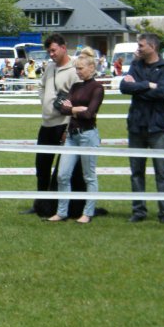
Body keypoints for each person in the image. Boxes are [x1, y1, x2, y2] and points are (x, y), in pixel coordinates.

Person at [119, 33, 164, 223]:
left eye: (141, 45)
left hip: (158, 127)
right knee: (136, 172)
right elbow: (124, 87)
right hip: (136, 126)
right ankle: (138, 211)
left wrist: (138, 87)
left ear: (152, 46)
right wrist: (147, 85)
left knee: (162, 173)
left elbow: (162, 93)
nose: (138, 48)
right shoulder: (136, 65)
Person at [47, 48, 104, 224]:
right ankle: (62, 212)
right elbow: (63, 107)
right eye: (76, 68)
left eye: (80, 69)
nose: (77, 72)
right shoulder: (75, 86)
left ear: (91, 68)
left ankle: (88, 212)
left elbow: (90, 114)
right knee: (62, 175)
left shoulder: (98, 88)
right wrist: (74, 110)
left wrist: (72, 110)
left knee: (89, 176)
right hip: (71, 136)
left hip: (88, 135)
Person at [24, 34, 79, 215]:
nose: (51, 54)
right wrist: (45, 101)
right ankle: (40, 204)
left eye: (54, 50)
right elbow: (41, 86)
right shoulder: (49, 68)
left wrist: (69, 125)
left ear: (64, 47)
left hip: (64, 124)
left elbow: (78, 99)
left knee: (63, 171)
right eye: (49, 51)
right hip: (47, 124)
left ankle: (60, 206)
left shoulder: (74, 70)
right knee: (42, 166)